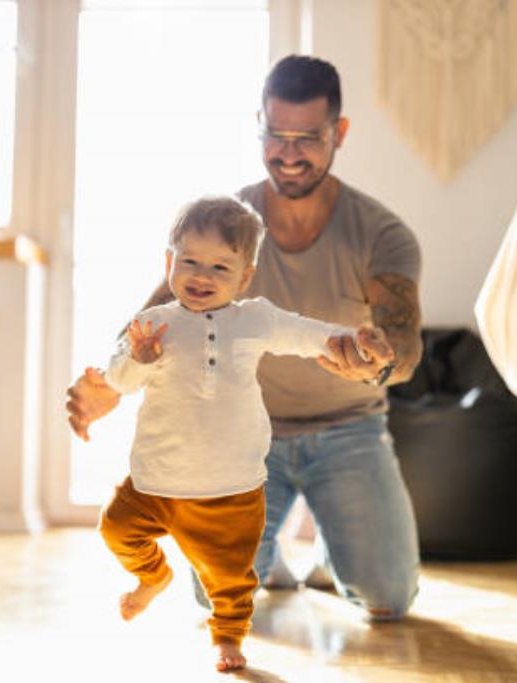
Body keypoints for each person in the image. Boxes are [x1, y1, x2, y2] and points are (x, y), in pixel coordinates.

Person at [69, 54, 423, 623]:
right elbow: (150, 321)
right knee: (214, 597)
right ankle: (272, 560)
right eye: (275, 135)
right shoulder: (226, 227)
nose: (288, 153)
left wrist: (380, 361)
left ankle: (338, 545)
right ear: (259, 126)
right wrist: (110, 382)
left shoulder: (381, 234)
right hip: (237, 444)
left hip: (350, 429)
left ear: (340, 133)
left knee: (387, 598)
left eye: (307, 137)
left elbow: (404, 344)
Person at [96, 196, 394, 672]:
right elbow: (118, 380)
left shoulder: (255, 319)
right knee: (116, 529)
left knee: (231, 578)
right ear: (169, 262)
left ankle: (227, 639)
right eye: (190, 261)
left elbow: (310, 334)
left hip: (231, 486)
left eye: (220, 267)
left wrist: (355, 339)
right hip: (154, 481)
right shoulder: (154, 325)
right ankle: (152, 577)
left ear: (245, 277)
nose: (202, 276)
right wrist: (139, 360)